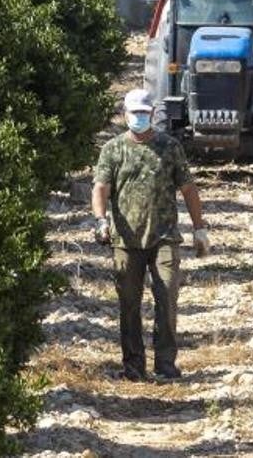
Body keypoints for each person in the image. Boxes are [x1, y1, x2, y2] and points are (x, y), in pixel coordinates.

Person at [92, 88, 210, 382]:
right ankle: (133, 366)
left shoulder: (169, 147)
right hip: (125, 241)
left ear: (153, 114)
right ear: (125, 115)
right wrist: (101, 220)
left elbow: (188, 188)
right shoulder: (113, 150)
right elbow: (101, 188)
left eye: (144, 113)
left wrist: (199, 228)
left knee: (167, 297)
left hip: (164, 238)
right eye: (134, 113)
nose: (139, 118)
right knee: (129, 304)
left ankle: (165, 364)